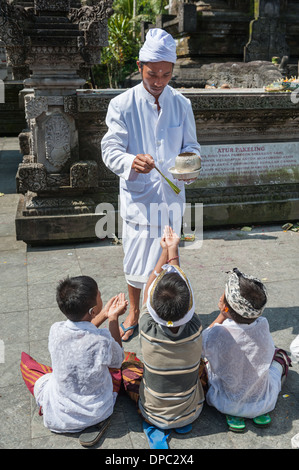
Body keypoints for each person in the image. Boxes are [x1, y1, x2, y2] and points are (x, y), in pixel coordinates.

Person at [101, 28, 201, 341]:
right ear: (140, 65)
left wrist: (188, 165)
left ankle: (173, 309)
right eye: (152, 73)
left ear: (173, 71)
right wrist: (131, 161)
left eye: (166, 74)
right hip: (139, 196)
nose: (158, 81)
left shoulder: (181, 104)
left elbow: (193, 148)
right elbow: (110, 149)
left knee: (171, 252)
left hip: (170, 195)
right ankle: (134, 310)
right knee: (134, 257)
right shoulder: (122, 105)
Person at [20, 275, 128, 447]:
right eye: (100, 295)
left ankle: (55, 410)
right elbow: (117, 362)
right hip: (97, 411)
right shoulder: (102, 341)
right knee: (127, 364)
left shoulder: (55, 330)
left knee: (28, 365)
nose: (101, 296)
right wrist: (113, 319)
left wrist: (104, 314)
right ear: (93, 311)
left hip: (59, 413)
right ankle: (94, 423)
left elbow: (83, 330)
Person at [138, 226, 205, 449]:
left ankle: (156, 427)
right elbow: (180, 288)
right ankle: (180, 422)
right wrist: (174, 250)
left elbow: (149, 288)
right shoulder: (195, 326)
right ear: (188, 308)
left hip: (152, 413)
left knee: (130, 367)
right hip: (191, 413)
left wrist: (165, 253)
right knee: (202, 367)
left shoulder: (146, 326)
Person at [201, 268, 292, 432]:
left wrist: (221, 316)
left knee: (207, 361)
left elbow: (201, 344)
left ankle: (235, 413)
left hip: (225, 402)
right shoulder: (263, 324)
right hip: (263, 402)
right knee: (279, 356)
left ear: (226, 306)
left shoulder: (217, 333)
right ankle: (256, 412)